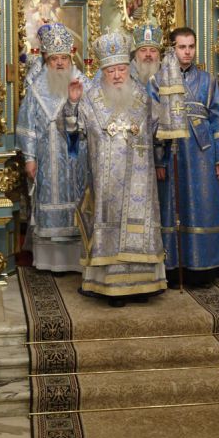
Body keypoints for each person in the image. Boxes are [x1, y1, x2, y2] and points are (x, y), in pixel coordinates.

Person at [66, 29, 166, 306]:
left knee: (139, 230)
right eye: (111, 71)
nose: (118, 75)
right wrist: (72, 104)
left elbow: (160, 131)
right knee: (109, 229)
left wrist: (170, 110)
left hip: (140, 182)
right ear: (103, 71)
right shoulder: (90, 98)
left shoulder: (143, 97)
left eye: (122, 69)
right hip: (106, 183)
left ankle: (144, 285)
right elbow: (73, 133)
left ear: (128, 68)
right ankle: (109, 286)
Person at [154, 27, 219, 288]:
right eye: (182, 47)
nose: (188, 52)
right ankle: (173, 267)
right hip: (172, 151)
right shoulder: (158, 80)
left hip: (202, 153)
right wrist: (158, 159)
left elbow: (218, 118)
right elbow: (152, 122)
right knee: (172, 207)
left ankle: (203, 268)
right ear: (172, 49)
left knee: (203, 205)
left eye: (191, 46)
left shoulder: (207, 80)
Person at [16, 23, 89, 273]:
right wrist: (29, 158)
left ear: (70, 58)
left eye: (63, 58)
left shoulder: (84, 84)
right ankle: (51, 260)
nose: (59, 63)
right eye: (54, 58)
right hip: (46, 157)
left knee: (78, 201)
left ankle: (77, 259)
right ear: (47, 60)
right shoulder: (36, 87)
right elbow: (27, 125)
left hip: (77, 155)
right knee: (48, 200)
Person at [130, 22, 163, 88]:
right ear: (136, 54)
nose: (148, 54)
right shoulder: (125, 74)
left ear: (159, 55)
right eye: (143, 50)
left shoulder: (167, 74)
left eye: (153, 50)